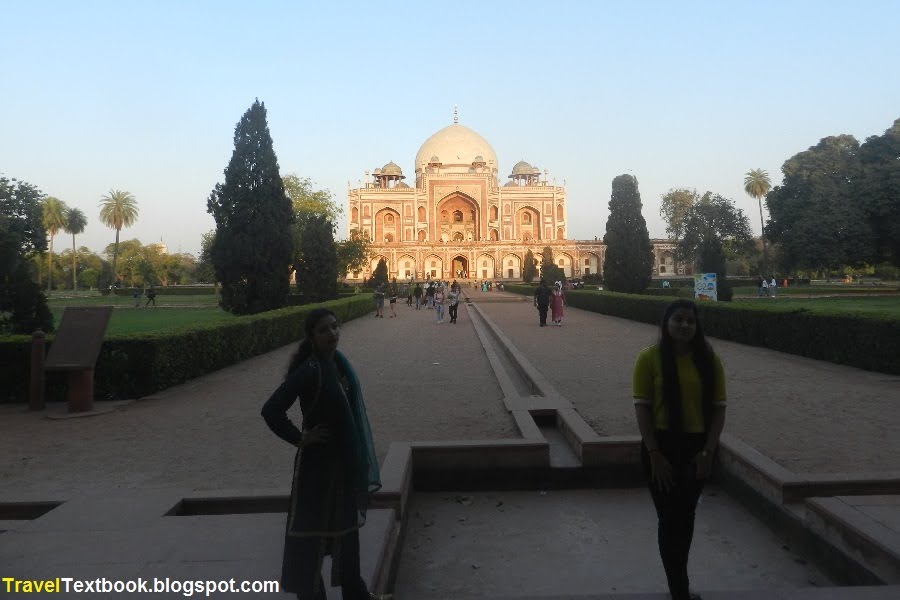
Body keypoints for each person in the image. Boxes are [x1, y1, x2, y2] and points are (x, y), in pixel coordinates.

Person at [261, 308, 381, 600]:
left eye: (335, 327)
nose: (332, 334)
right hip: (317, 466)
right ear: (312, 337)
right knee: (311, 533)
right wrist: (301, 438)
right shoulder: (310, 370)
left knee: (347, 531)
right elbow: (271, 410)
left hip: (342, 462)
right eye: (324, 330)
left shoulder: (338, 365)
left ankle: (355, 592)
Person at [632, 300, 727, 600]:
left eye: (690, 321)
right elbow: (642, 409)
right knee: (669, 518)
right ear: (666, 323)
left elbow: (718, 409)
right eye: (678, 320)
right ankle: (679, 589)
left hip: (697, 449)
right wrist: (654, 454)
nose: (684, 325)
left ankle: (679, 586)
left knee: (684, 517)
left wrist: (708, 452)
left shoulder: (709, 360)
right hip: (661, 446)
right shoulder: (648, 358)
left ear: (696, 326)